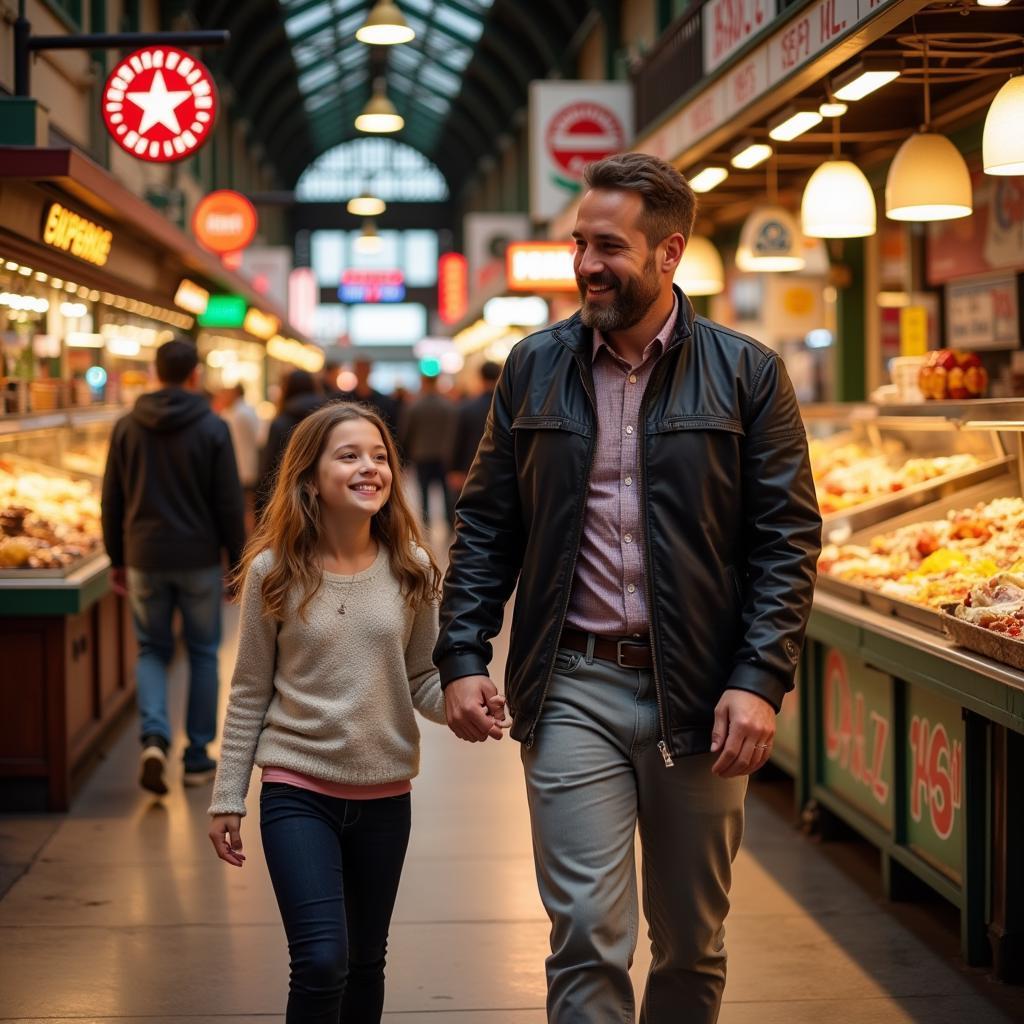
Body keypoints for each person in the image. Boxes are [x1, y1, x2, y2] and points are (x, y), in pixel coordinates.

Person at [435, 153, 822, 1023]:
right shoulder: (533, 368)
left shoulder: (747, 374)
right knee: (586, 934)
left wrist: (760, 679)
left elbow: (786, 539)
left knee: (691, 941)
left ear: (668, 252)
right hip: (572, 685)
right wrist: (461, 655)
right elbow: (489, 524)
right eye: (578, 244)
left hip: (700, 695)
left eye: (607, 245)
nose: (585, 264)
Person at [207, 403, 487, 1023]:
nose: (371, 468)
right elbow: (251, 689)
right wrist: (229, 796)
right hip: (296, 788)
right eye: (350, 455)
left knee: (365, 963)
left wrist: (465, 702)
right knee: (320, 960)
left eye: (380, 456)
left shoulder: (411, 565)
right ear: (310, 477)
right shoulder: (272, 572)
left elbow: (419, 678)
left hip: (386, 794)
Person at [101, 338, 245, 795]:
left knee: (151, 651)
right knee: (203, 652)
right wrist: (237, 562)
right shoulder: (212, 427)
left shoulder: (126, 426)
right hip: (199, 557)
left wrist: (116, 558)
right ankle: (198, 755)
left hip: (144, 555)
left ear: (153, 371)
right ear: (195, 375)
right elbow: (227, 501)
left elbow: (112, 499)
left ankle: (154, 738)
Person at [255, 369, 324, 518]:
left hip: (289, 502)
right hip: (324, 497)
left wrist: (261, 511)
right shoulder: (328, 420)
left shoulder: (281, 422)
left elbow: (269, 469)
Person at [399, 373, 457, 531]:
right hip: (444, 455)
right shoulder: (448, 405)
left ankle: (426, 524)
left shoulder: (414, 406)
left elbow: (406, 432)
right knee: (446, 491)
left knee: (423, 491)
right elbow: (454, 431)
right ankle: (450, 523)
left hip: (422, 454)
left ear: (423, 382)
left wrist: (406, 456)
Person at [446, 360, 501, 497]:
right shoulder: (512, 408)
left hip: (471, 468)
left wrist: (455, 469)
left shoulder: (467, 407)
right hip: (504, 468)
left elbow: (458, 440)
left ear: (481, 377)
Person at [340, 358, 400, 441]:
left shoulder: (385, 402)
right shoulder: (343, 400)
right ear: (355, 371)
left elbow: (391, 430)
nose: (362, 373)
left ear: (369, 371)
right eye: (359, 369)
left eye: (364, 369)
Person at [219, 383, 260, 499]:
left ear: (235, 394)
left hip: (242, 464)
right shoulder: (235, 412)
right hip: (241, 464)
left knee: (245, 500)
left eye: (226, 393)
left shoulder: (240, 413)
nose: (223, 397)